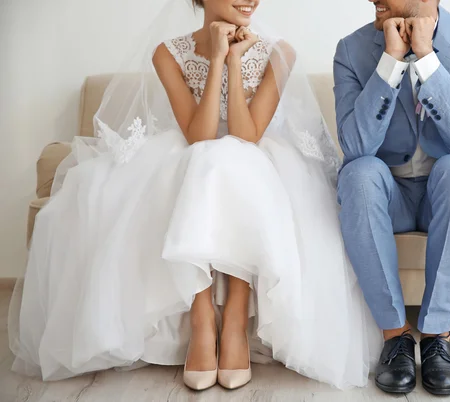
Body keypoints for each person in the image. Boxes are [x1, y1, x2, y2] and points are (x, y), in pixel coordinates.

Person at [9, 0, 380, 391]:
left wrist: (236, 61)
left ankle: (235, 318)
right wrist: (217, 58)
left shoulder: (278, 52)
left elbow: (246, 136)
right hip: (192, 154)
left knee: (232, 162)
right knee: (207, 161)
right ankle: (203, 319)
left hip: (257, 157)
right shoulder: (169, 53)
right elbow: (199, 136)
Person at [334, 0, 450, 396]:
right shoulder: (351, 50)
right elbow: (356, 146)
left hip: (448, 193)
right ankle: (395, 337)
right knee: (359, 174)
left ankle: (436, 338)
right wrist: (391, 61)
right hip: (388, 194)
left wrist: (428, 58)